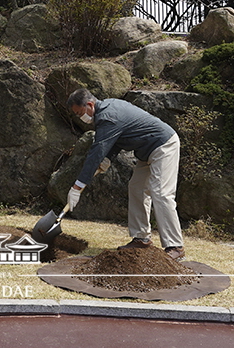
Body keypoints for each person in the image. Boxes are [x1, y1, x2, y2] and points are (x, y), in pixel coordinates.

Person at [65, 89, 185, 260]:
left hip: (163, 145)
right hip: (147, 151)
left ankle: (175, 247)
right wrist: (107, 160)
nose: (80, 117)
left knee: (161, 192)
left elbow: (96, 151)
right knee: (136, 188)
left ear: (90, 105)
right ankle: (141, 238)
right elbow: (117, 139)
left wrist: (77, 186)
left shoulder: (107, 116)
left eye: (79, 113)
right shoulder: (108, 109)